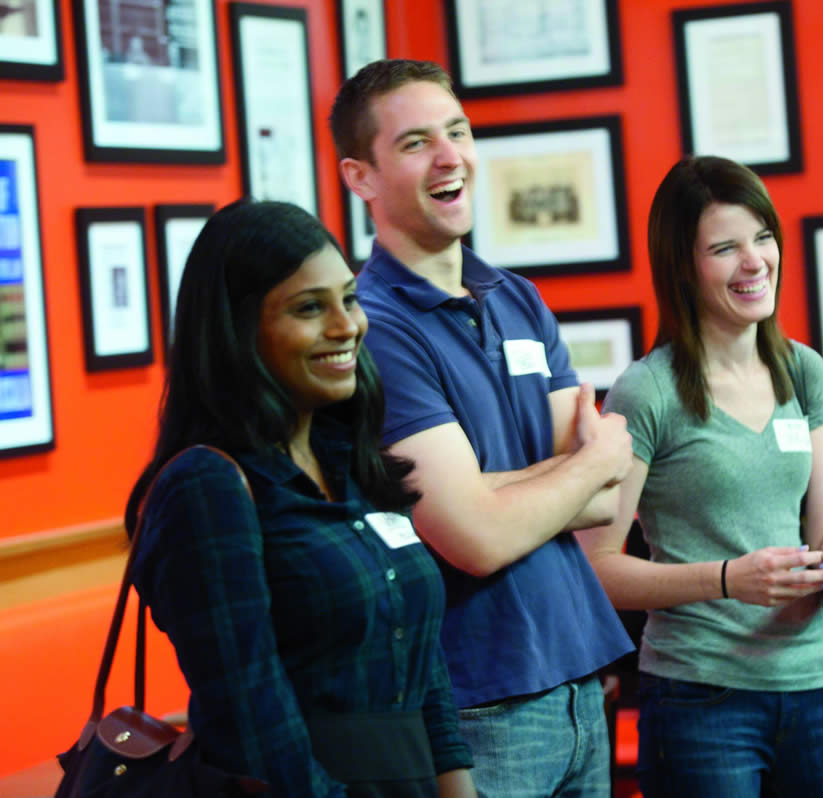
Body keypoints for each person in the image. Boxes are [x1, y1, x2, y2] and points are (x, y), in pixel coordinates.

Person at [330, 59, 635, 797]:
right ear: (360, 177)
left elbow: (606, 496)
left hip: (582, 680)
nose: (450, 157)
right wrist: (578, 467)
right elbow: (474, 538)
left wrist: (495, 490)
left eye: (458, 131)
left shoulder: (518, 298)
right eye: (414, 143)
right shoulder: (374, 326)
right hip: (481, 703)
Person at [123, 199, 476, 797]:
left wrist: (457, 787)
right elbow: (252, 724)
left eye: (350, 298)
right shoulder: (208, 487)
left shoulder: (355, 463)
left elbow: (425, 671)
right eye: (310, 308)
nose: (347, 327)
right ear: (238, 331)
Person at [575, 155, 823, 797]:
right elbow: (596, 569)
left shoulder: (802, 370)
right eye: (725, 248)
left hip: (815, 684)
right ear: (683, 266)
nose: (755, 262)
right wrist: (725, 579)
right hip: (699, 700)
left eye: (763, 237)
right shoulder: (647, 391)